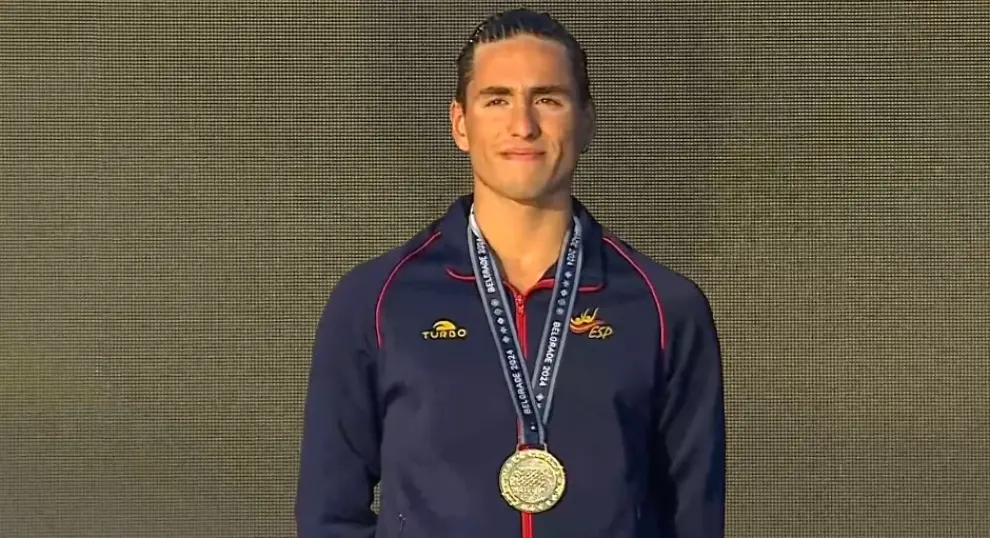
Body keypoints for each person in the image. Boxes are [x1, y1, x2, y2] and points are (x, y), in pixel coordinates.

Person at [295, 8, 725, 538]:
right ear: (460, 124)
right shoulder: (376, 301)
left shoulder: (665, 307)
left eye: (548, 98)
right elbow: (328, 515)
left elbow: (694, 518)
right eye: (496, 99)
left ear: (586, 121)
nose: (523, 124)